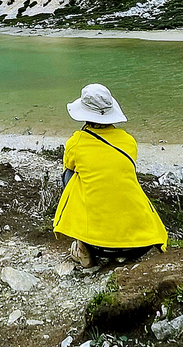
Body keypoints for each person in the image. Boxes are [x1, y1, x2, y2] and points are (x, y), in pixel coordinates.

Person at [53, 82, 168, 268]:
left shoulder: (76, 142)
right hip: (139, 245)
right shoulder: (129, 141)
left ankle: (83, 245)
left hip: (98, 245)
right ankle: (120, 248)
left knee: (71, 177)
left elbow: (69, 168)